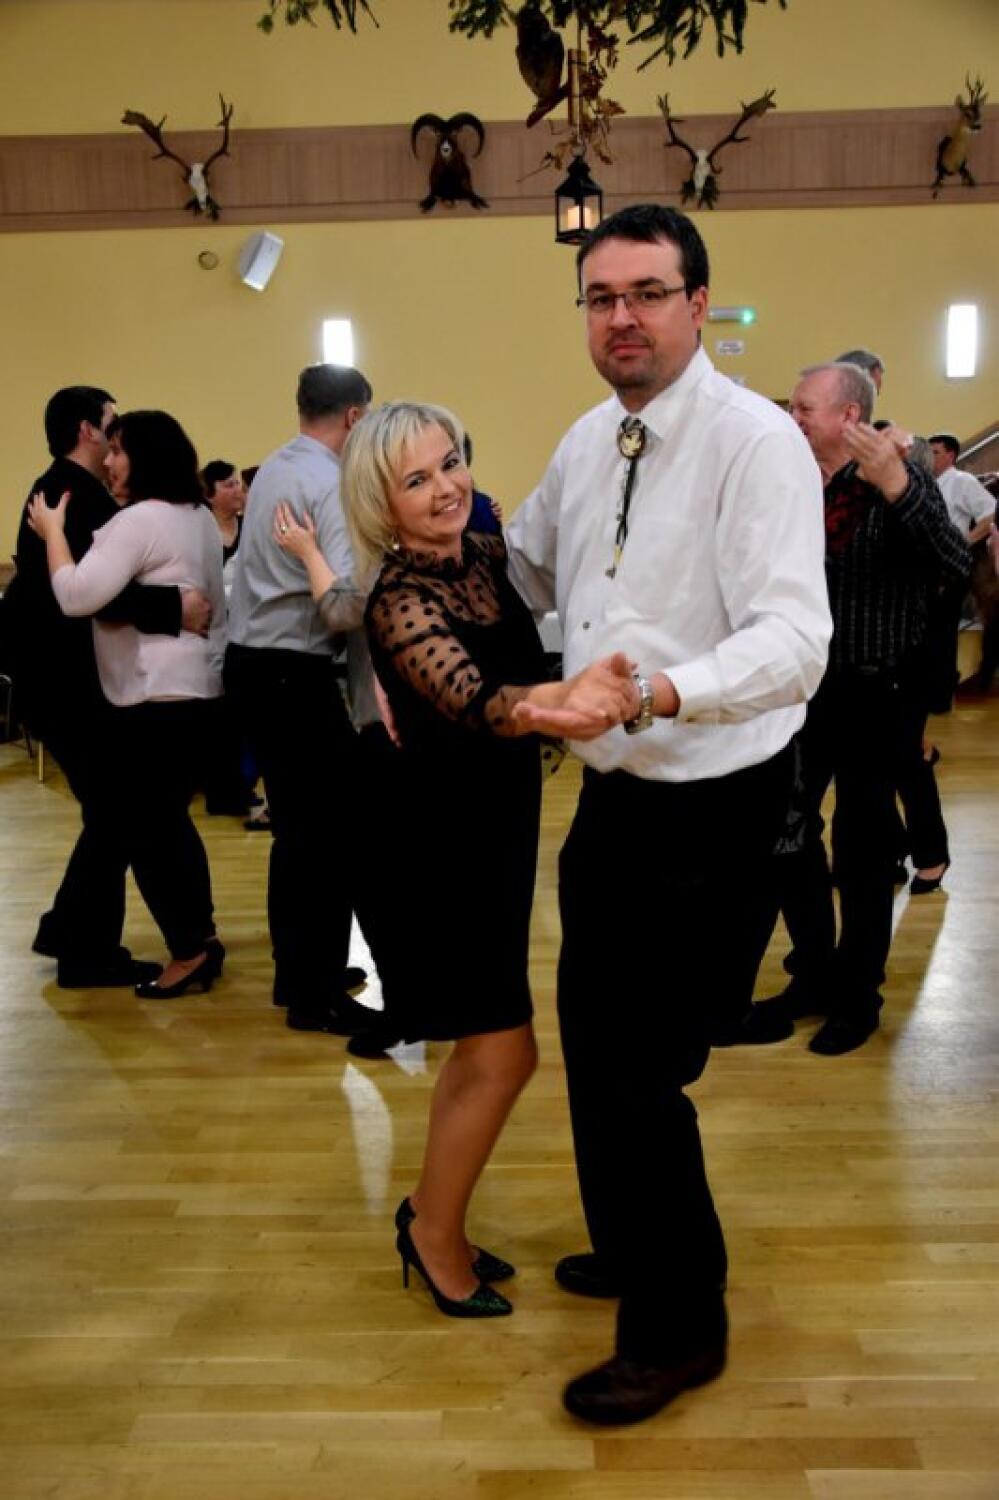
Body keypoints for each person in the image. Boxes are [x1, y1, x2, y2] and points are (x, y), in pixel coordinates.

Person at [504, 203, 832, 1424]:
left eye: (647, 293)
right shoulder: (590, 438)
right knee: (594, 1043)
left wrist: (655, 689)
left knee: (644, 1072)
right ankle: (637, 1243)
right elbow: (530, 562)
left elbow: (796, 640)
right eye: (602, 297)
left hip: (719, 801)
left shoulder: (756, 444)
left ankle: (681, 1327)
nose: (622, 317)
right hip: (614, 797)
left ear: (698, 304)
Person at [335, 399, 634, 1319]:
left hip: (492, 833)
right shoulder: (398, 599)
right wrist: (562, 698)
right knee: (504, 1052)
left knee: (483, 1048)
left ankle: (434, 1215)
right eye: (415, 479)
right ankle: (431, 1234)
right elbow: (476, 700)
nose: (444, 488)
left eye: (449, 464)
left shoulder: (482, 555)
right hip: (432, 849)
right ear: (381, 503)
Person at [736, 363, 970, 1052]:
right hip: (802, 692)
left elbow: (953, 561)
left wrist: (896, 482)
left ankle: (857, 996)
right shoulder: (792, 479)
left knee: (864, 850)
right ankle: (813, 972)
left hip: (876, 692)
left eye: (804, 407)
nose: (793, 416)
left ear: (849, 416)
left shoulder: (900, 476)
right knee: (786, 837)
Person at [3, 385, 209, 988]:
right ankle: (82, 946)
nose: (116, 442)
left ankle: (73, 934)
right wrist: (174, 609)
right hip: (65, 685)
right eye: (110, 427)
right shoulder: (70, 493)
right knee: (120, 814)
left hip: (75, 683)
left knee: (116, 814)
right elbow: (86, 592)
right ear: (87, 431)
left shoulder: (85, 493)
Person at [224, 365, 374, 1034]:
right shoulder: (328, 484)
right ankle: (315, 994)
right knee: (327, 834)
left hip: (254, 664)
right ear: (354, 416)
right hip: (292, 669)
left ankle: (300, 973)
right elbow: (343, 603)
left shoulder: (275, 469)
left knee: (297, 831)